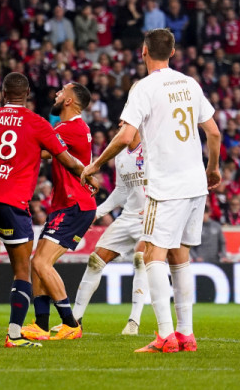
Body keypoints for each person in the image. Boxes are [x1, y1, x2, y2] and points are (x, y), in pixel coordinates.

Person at [82, 28, 221, 354]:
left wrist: (97, 163)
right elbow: (213, 133)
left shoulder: (144, 88)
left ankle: (164, 336)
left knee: (151, 255)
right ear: (172, 52)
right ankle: (186, 335)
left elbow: (125, 135)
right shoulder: (189, 83)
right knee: (180, 257)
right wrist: (213, 168)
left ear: (144, 51)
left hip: (167, 186)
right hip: (196, 184)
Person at [0, 72, 96, 348]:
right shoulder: (38, 124)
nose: (56, 94)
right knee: (24, 268)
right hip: (13, 201)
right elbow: (64, 159)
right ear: (28, 94)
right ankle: (18, 333)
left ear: (4, 93)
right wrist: (88, 174)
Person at [24, 83, 96, 341]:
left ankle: (70, 323)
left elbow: (40, 150)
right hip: (67, 204)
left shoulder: (70, 128)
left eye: (61, 91)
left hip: (75, 205)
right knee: (37, 263)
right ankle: (41, 324)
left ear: (70, 101)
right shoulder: (71, 128)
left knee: (42, 262)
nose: (56, 93)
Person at [70, 122, 149, 336]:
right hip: (128, 216)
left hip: (152, 216)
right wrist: (95, 213)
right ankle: (75, 320)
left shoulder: (153, 147)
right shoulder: (121, 155)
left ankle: (134, 322)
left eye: (124, 124)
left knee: (140, 259)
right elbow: (121, 192)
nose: (120, 126)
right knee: (96, 260)